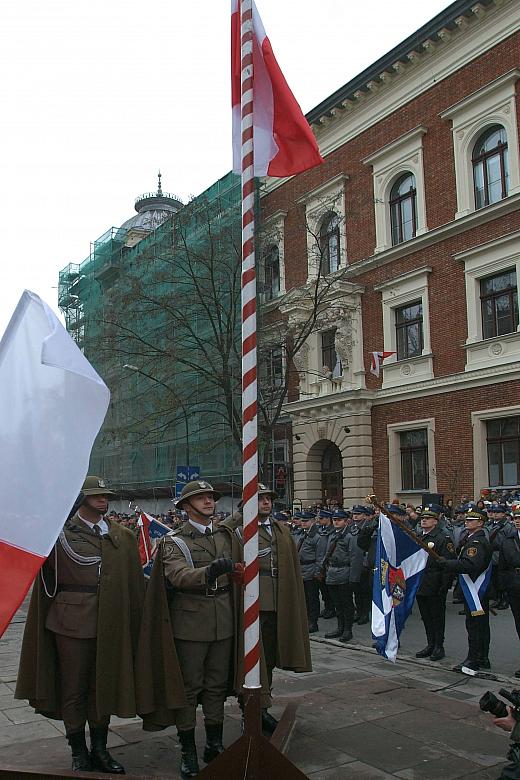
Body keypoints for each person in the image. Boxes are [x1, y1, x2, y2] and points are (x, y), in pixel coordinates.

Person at [15, 476, 145, 774]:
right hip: (71, 622)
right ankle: (78, 750)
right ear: (80, 498)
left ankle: (100, 749)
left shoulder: (121, 535)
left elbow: (132, 579)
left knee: (102, 686)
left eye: (105, 494)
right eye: (96, 495)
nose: (103, 499)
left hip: (111, 621)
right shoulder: (58, 535)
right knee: (74, 688)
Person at [138, 480, 239, 779]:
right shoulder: (174, 541)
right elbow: (179, 576)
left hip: (223, 619)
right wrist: (210, 571)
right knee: (189, 688)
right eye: (201, 498)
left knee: (217, 685)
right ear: (185, 506)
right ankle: (188, 751)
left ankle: (214, 744)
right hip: (191, 623)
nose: (209, 501)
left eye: (211, 497)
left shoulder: (224, 535)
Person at [222, 483, 311, 735]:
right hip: (253, 601)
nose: (266, 503)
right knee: (252, 660)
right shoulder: (240, 530)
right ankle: (249, 711)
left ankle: (263, 707)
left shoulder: (280, 530)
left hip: (277, 600)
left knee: (268, 658)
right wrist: (242, 512)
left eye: (269, 499)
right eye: (260, 499)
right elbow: (222, 530)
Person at [438, 508, 493, 672]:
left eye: (471, 520)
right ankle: (481, 657)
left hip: (476, 589)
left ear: (480, 523)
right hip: (475, 588)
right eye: (467, 520)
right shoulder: (471, 539)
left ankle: (473, 659)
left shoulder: (477, 543)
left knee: (475, 625)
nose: (467, 522)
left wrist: (448, 563)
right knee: (480, 624)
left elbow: (470, 564)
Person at [414, 504, 455, 661]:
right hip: (421, 582)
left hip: (435, 582)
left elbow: (448, 564)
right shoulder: (419, 537)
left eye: (428, 518)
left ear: (436, 521)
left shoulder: (443, 538)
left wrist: (444, 586)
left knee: (437, 616)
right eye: (422, 518)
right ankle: (430, 643)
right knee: (426, 616)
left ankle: (439, 646)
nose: (424, 521)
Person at [323, 510, 363, 643]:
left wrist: (354, 578)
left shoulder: (351, 536)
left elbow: (355, 558)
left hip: (344, 572)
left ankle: (347, 630)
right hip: (332, 572)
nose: (336, 522)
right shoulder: (332, 534)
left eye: (339, 520)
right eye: (334, 519)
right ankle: (340, 627)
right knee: (337, 604)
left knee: (346, 603)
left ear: (346, 521)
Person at [499, 508, 520, 678]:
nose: (518, 521)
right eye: (516, 518)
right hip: (515, 586)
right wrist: (505, 586)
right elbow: (503, 565)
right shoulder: (509, 539)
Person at [487, 502, 515, 610]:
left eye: (498, 512)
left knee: (502, 579)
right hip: (491, 554)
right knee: (494, 579)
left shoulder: (507, 526)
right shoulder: (489, 524)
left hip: (501, 554)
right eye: (494, 512)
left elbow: (510, 541)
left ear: (503, 514)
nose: (495, 514)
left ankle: (505, 600)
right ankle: (497, 598)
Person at [297, 511, 321, 633]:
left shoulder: (316, 536)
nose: (303, 523)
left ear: (313, 521)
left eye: (306, 521)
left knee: (312, 599)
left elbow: (319, 556)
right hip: (301, 569)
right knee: (304, 598)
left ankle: (313, 622)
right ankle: (305, 620)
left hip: (311, 569)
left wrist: (317, 572)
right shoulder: (302, 533)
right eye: (302, 521)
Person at [316, 509, 336, 619]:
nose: (319, 520)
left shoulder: (332, 530)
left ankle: (331, 608)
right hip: (320, 562)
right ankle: (328, 607)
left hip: (327, 563)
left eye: (321, 518)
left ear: (328, 519)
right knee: (323, 589)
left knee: (329, 589)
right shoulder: (321, 529)